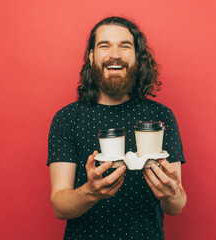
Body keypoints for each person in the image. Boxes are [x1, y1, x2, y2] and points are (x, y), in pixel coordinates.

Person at [47, 16, 187, 240]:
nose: (115, 54)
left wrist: (172, 193)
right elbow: (59, 206)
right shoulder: (66, 119)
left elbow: (176, 206)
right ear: (92, 57)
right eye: (105, 45)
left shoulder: (160, 117)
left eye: (125, 46)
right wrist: (90, 192)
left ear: (136, 57)